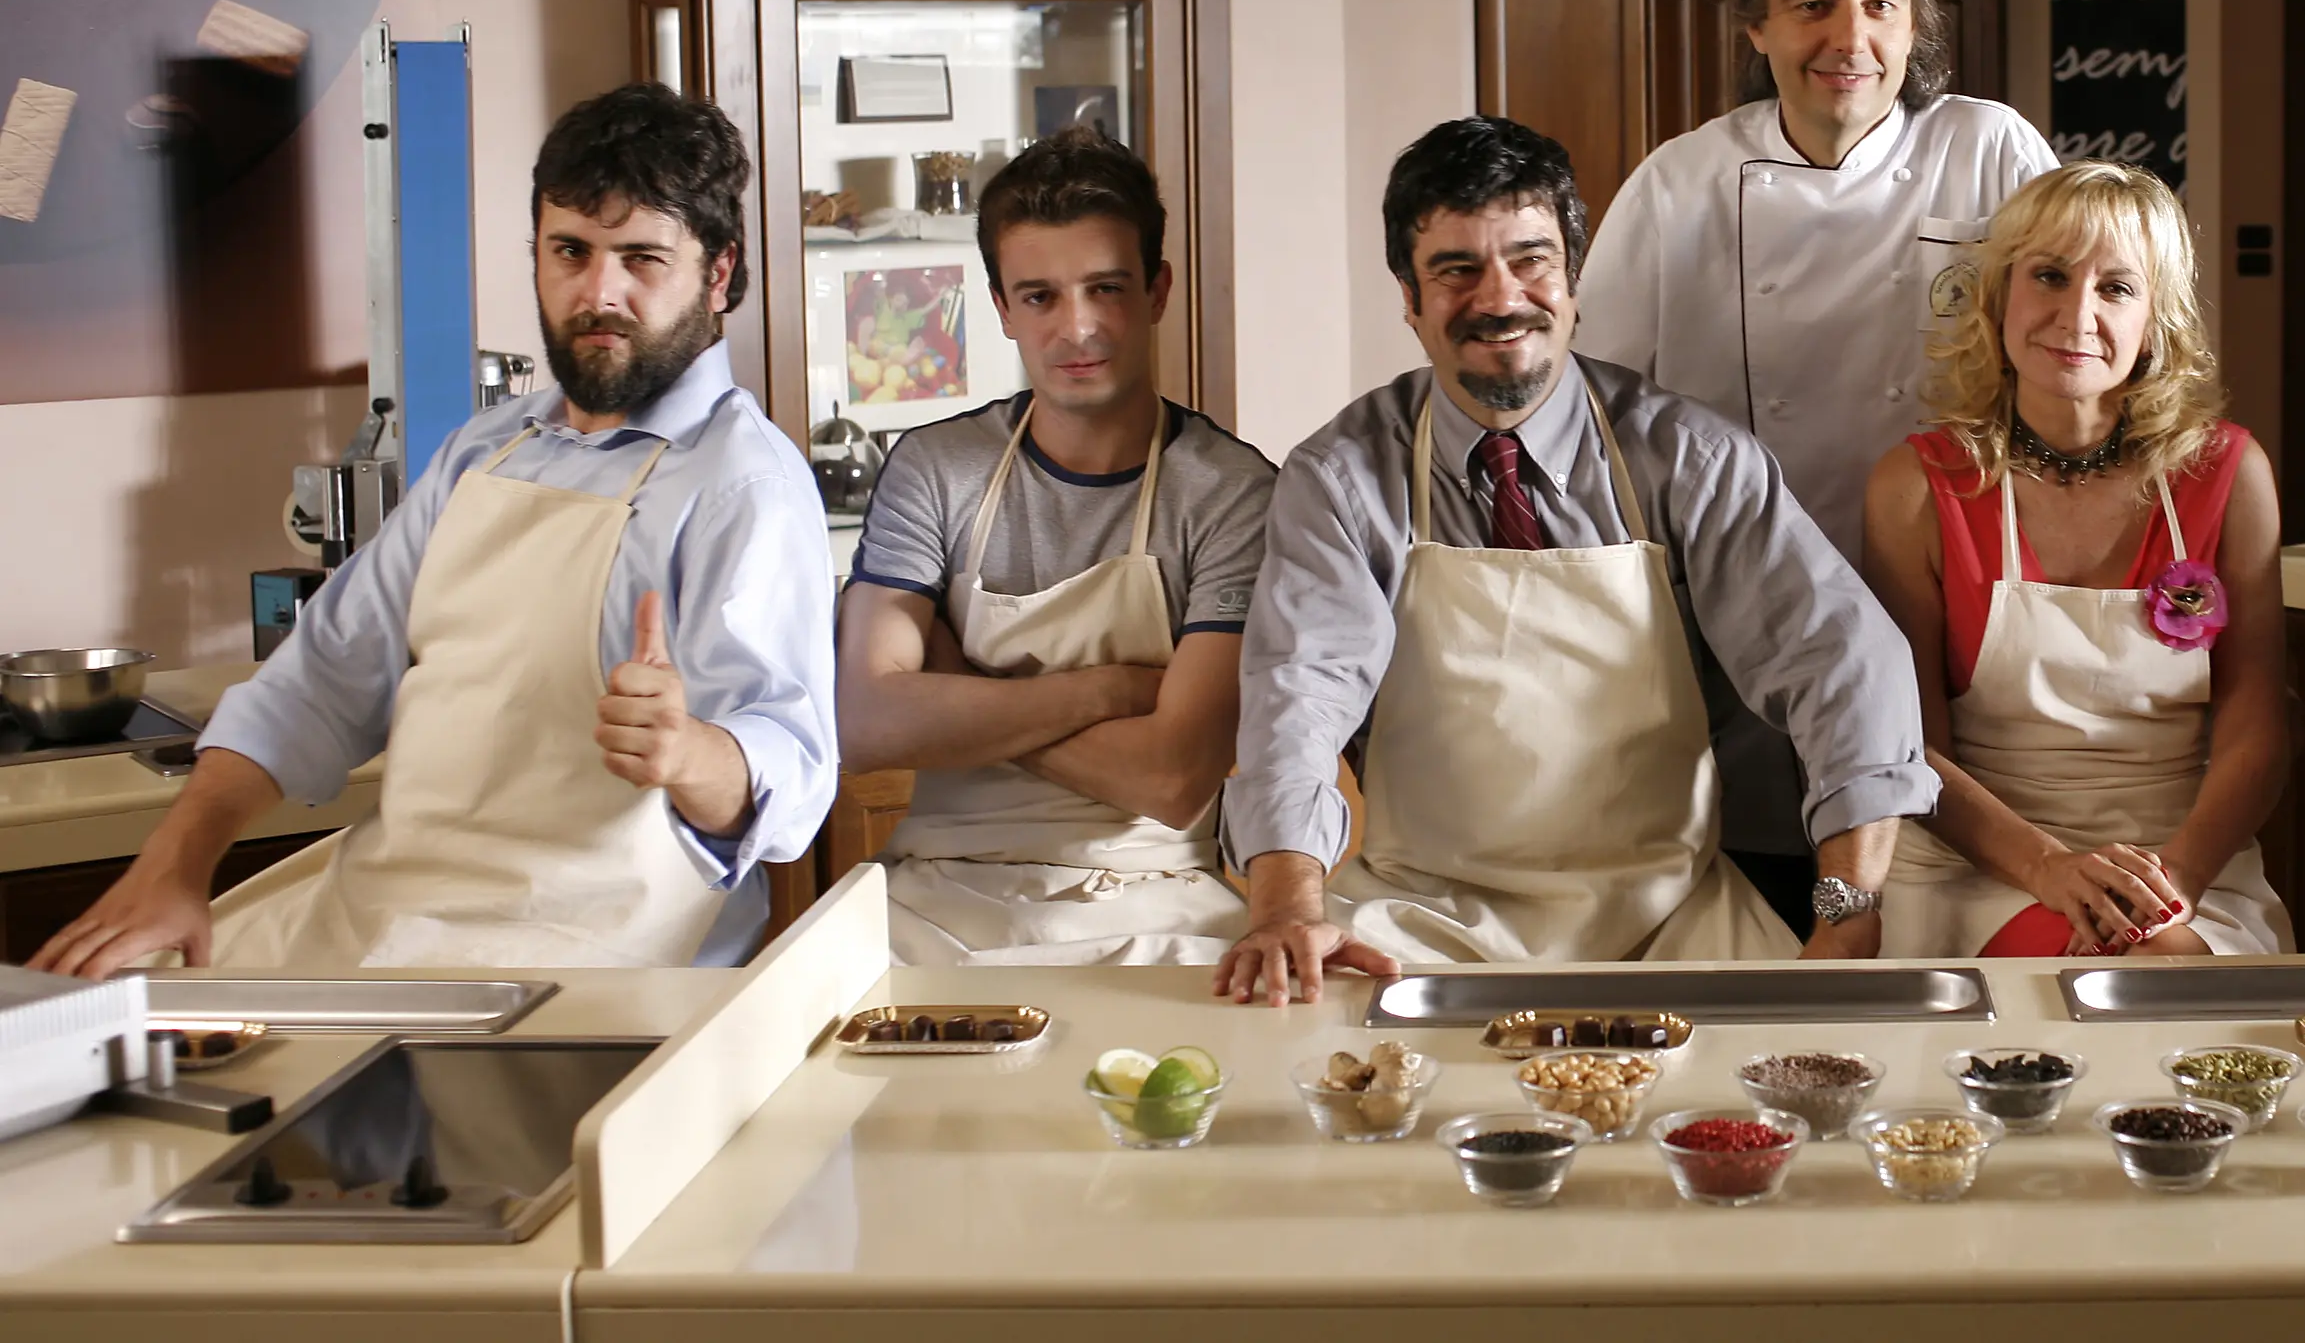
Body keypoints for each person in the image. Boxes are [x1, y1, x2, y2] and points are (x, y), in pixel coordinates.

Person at [30, 85, 837, 974]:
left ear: (717, 273)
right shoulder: (486, 449)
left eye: (641, 258)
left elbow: (793, 782)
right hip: (389, 908)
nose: (597, 292)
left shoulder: (740, 485)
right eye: (570, 251)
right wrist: (174, 867)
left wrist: (689, 753)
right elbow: (319, 681)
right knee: (78, 1022)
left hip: (585, 955)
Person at [1213, 117, 1938, 1003]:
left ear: (1573, 278)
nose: (1500, 298)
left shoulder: (1691, 459)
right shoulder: (1342, 477)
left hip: (1675, 917)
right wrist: (1285, 907)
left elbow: (1846, 666)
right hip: (1423, 917)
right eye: (1456, 270)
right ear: (1408, 298)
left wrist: (1846, 911)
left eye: (1530, 260)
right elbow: (1299, 695)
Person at [1578, 0, 2058, 924]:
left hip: (1956, 596)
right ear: (1755, 24)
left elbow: (2080, 343)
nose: (1851, 36)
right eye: (1813, 3)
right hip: (1748, 610)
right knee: (1773, 887)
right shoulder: (1678, 186)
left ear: (1915, 21)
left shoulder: (1988, 149)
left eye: (1880, 2)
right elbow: (1596, 422)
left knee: (1961, 894)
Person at [836, 130, 1273, 965]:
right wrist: (1113, 690)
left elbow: (1169, 780)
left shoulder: (1233, 494)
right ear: (1002, 310)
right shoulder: (934, 468)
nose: (1077, 328)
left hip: (1156, 897)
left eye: (1105, 288)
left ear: (1156, 291)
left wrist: (960, 688)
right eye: (1039, 297)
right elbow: (866, 723)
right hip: (931, 895)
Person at [1859, 162, 2290, 957]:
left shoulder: (2228, 475)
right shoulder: (1915, 487)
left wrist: (2172, 882)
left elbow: (2255, 728)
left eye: (2116, 287)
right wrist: (2048, 868)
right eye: (2049, 276)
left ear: (2156, 320)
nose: (2076, 314)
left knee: (2160, 963)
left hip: (2185, 864)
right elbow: (1911, 748)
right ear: (1998, 297)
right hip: (1980, 866)